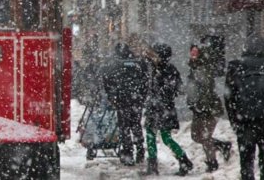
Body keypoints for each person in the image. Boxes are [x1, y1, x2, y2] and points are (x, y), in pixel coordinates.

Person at [143, 43, 193, 176]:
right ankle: (181, 161)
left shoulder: (166, 70)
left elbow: (175, 89)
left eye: (155, 54)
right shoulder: (159, 69)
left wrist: (160, 94)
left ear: (161, 56)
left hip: (161, 108)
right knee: (155, 136)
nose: (152, 56)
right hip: (161, 108)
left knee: (160, 136)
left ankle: (182, 161)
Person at [98, 42, 148, 166]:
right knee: (136, 125)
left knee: (124, 127)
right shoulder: (138, 63)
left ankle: (128, 153)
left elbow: (106, 79)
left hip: (122, 100)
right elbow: (145, 80)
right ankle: (140, 149)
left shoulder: (115, 65)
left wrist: (111, 96)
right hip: (136, 101)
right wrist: (141, 96)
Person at [186, 43, 232, 172]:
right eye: (192, 51)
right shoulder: (194, 67)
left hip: (208, 108)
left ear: (200, 53)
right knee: (196, 136)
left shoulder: (203, 68)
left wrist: (202, 107)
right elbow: (193, 89)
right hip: (198, 108)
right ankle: (222, 145)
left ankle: (212, 163)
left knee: (205, 137)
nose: (193, 53)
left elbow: (205, 90)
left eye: (195, 51)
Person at [224, 36, 264, 180]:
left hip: (245, 122)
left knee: (246, 161)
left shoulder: (236, 67)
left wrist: (234, 121)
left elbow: (228, 98)